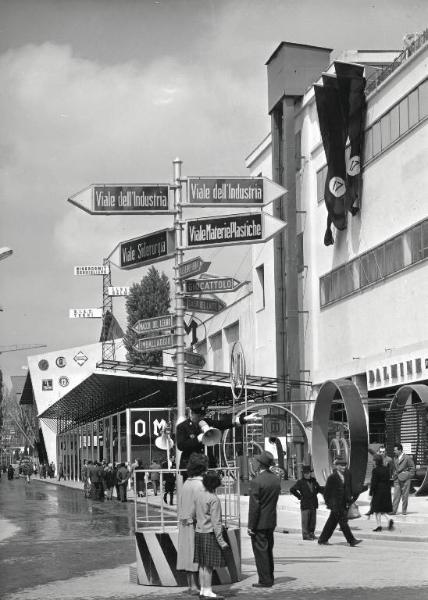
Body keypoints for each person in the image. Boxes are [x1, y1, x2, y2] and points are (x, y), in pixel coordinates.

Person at [176, 399, 260, 479]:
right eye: (199, 416)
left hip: (207, 465)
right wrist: (197, 439)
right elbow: (181, 445)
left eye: (203, 415)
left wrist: (243, 419)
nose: (201, 418)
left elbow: (223, 424)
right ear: (192, 413)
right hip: (191, 467)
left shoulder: (207, 422)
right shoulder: (182, 427)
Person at [247, 451, 281, 588]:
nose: (253, 463)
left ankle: (265, 580)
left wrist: (250, 525)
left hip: (259, 522)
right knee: (268, 550)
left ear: (260, 464)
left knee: (260, 552)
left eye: (255, 462)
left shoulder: (256, 481)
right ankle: (270, 577)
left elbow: (254, 507)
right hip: (271, 520)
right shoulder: (275, 479)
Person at [177, 453, 209, 595]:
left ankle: (191, 585)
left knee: (187, 553)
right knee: (199, 556)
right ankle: (200, 586)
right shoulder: (201, 485)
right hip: (197, 524)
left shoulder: (187, 483)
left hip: (184, 523)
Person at [194, 471, 229, 600]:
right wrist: (221, 541)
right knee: (209, 565)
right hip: (209, 534)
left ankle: (203, 590)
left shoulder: (199, 496)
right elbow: (216, 522)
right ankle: (208, 590)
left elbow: (194, 514)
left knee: (202, 564)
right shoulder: (214, 499)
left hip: (198, 532)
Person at [318, 458, 362, 547]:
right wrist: (330, 505)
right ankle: (351, 540)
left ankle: (322, 539)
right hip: (335, 505)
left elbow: (348, 489)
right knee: (343, 522)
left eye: (345, 465)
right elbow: (326, 493)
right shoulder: (332, 477)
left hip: (343, 504)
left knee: (331, 523)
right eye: (341, 465)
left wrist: (350, 500)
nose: (344, 467)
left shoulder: (346, 475)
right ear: (337, 466)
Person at [290, 465, 324, 540]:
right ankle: (305, 535)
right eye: (305, 473)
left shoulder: (314, 480)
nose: (306, 474)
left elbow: (319, 489)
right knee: (305, 521)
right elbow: (292, 490)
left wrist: (326, 491)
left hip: (313, 503)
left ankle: (311, 534)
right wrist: (300, 497)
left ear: (310, 473)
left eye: (307, 473)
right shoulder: (300, 482)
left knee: (313, 521)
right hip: (305, 504)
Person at [369, 454, 394, 531]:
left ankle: (379, 526)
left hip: (378, 491)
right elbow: (388, 480)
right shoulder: (386, 469)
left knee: (376, 509)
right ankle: (389, 519)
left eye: (374, 460)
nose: (373, 462)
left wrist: (370, 493)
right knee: (382, 509)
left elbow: (374, 483)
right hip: (386, 490)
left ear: (376, 461)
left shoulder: (375, 470)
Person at [391, 443, 415, 515]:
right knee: (396, 495)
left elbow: (412, 468)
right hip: (396, 479)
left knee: (405, 496)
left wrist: (408, 475)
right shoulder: (395, 458)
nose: (394, 451)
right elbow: (395, 468)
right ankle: (393, 511)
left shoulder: (407, 458)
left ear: (400, 450)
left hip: (405, 480)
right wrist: (393, 474)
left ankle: (404, 511)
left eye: (395, 450)